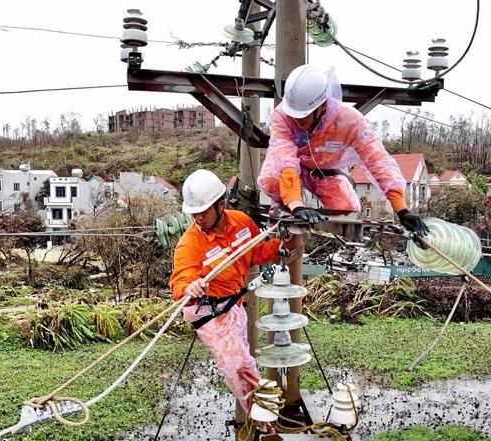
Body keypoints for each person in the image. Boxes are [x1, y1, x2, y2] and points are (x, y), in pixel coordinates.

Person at [257, 63, 429, 238]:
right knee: (273, 181)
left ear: (322, 106)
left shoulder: (350, 121)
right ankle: (283, 215)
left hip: (322, 172)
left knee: (345, 207)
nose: (297, 121)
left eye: (303, 117)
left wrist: (401, 208)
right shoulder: (282, 115)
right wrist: (295, 204)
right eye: (294, 115)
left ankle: (321, 232)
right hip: (287, 169)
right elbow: (284, 159)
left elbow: (377, 160)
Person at [169, 169, 287, 412]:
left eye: (203, 212)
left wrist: (282, 245)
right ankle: (263, 417)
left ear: (220, 205)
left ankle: (261, 414)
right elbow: (180, 279)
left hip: (233, 305)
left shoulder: (241, 223)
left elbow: (257, 253)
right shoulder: (190, 244)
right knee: (238, 365)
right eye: (194, 213)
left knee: (243, 358)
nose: (198, 218)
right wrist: (190, 286)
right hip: (208, 310)